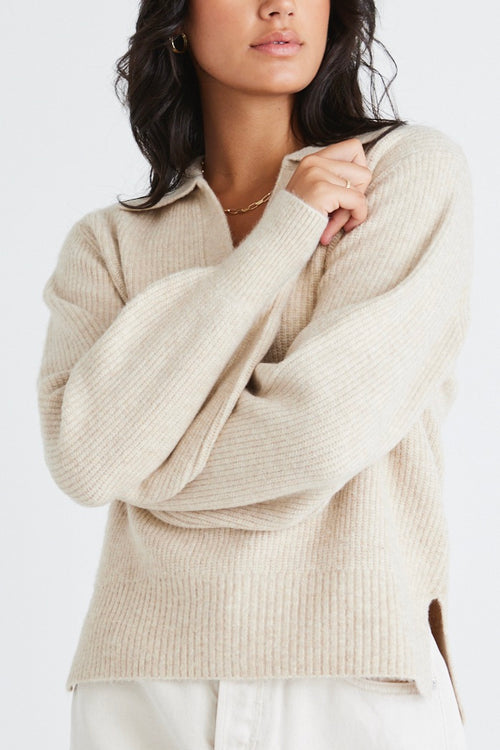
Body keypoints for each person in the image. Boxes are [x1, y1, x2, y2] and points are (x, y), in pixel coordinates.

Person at [36, 1, 473, 748]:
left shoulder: (399, 175)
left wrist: (144, 458)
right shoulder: (107, 245)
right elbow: (82, 461)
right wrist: (279, 239)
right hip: (144, 690)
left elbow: (318, 433)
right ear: (176, 20)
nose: (279, 5)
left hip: (353, 681)